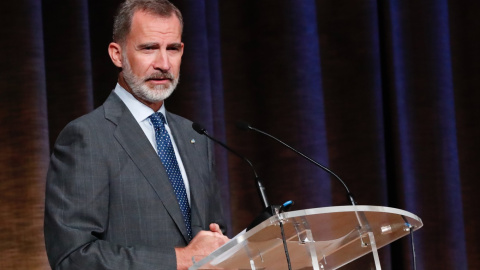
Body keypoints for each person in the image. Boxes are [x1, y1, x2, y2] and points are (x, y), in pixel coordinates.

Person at [44, 0, 229, 269]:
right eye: (149, 48)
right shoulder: (87, 136)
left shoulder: (195, 135)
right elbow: (72, 256)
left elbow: (211, 237)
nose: (164, 63)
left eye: (173, 49)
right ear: (117, 54)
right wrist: (180, 259)